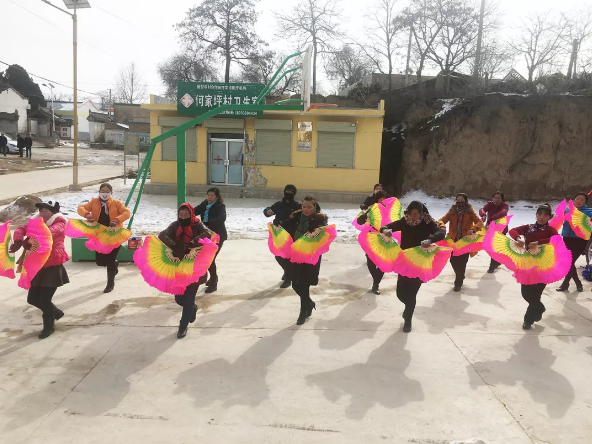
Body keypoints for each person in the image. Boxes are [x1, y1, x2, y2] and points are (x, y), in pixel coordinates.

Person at [380, 201, 446, 332]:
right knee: (400, 293)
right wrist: (386, 230)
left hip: (419, 262)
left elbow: (441, 233)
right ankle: (408, 309)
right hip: (405, 261)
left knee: (412, 293)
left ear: (421, 213)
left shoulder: (427, 223)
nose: (412, 217)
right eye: (410, 214)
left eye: (415, 214)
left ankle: (408, 319)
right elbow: (385, 226)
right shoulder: (405, 221)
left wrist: (430, 240)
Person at [10, 201, 69, 339]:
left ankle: (49, 326)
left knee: (45, 300)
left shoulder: (60, 223)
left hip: (52, 266)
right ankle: (56, 312)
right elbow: (21, 228)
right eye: (41, 211)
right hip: (38, 266)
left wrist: (30, 239)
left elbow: (47, 233)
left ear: (53, 213)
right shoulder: (36, 222)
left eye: (46, 211)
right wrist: (18, 240)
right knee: (32, 299)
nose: (43, 214)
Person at [159, 203, 213, 338]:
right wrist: (174, 245)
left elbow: (207, 233)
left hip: (194, 266)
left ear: (191, 214)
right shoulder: (175, 225)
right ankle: (193, 308)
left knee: (189, 297)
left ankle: (183, 326)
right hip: (178, 266)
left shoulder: (198, 224)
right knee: (179, 298)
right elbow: (162, 235)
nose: (183, 217)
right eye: (181, 215)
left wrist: (193, 242)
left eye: (186, 215)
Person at [279, 196, 328, 325]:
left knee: (304, 283)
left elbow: (324, 231)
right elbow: (286, 225)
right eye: (304, 206)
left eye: (309, 207)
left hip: (310, 255)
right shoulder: (297, 217)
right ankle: (309, 303)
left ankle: (303, 311)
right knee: (295, 283)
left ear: (314, 207)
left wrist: (316, 230)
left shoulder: (319, 219)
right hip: (296, 253)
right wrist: (279, 223)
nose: (305, 209)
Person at [509, 204, 558, 330]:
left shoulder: (551, 230)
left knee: (536, 294)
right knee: (525, 293)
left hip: (543, 266)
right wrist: (518, 238)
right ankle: (539, 308)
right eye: (539, 214)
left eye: (545, 215)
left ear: (549, 217)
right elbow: (512, 230)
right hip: (527, 264)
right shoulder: (529, 228)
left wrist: (539, 242)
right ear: (536, 215)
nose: (542, 217)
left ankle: (528, 320)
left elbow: (556, 239)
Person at [77, 183, 131, 293]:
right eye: (102, 191)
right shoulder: (94, 202)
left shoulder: (117, 203)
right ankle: (115, 264)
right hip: (99, 236)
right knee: (100, 262)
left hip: (114, 235)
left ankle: (110, 284)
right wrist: (87, 214)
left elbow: (127, 212)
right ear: (99, 192)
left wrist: (117, 219)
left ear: (111, 193)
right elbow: (80, 208)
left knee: (110, 260)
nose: (104, 193)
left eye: (107, 191)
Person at [438, 193, 483, 291]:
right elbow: (441, 220)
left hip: (465, 242)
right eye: (458, 201)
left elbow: (479, 222)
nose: (459, 203)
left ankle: (458, 283)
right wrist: (442, 226)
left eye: (462, 201)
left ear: (466, 202)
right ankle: (460, 275)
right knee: (453, 261)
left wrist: (473, 229)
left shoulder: (470, 211)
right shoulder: (452, 211)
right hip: (453, 241)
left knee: (462, 262)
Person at [264, 184, 302, 288]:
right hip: (279, 234)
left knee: (288, 257)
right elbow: (267, 211)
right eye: (287, 192)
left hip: (291, 234)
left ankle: (288, 278)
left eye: (291, 193)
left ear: (294, 194)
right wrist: (268, 211)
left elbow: (299, 217)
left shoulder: (297, 206)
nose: (289, 194)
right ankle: (287, 271)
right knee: (278, 255)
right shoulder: (279, 205)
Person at [557, 192, 592, 292]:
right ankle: (575, 283)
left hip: (580, 240)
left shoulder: (589, 212)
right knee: (568, 262)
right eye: (577, 199)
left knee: (570, 262)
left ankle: (567, 283)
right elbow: (559, 217)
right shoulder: (568, 209)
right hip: (567, 238)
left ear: (585, 202)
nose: (579, 201)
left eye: (582, 200)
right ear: (574, 200)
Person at [194, 187, 227, 294]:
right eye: (208, 195)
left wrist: (208, 223)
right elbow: (194, 211)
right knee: (206, 259)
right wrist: (185, 213)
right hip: (207, 235)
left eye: (212, 196)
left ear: (217, 197)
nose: (209, 197)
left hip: (218, 236)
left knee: (210, 259)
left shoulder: (220, 206)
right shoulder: (204, 204)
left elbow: (222, 218)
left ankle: (214, 282)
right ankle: (213, 278)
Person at [357, 190, 389, 294]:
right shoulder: (372, 209)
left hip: (384, 238)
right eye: (380, 198)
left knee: (383, 263)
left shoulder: (390, 210)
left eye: (384, 198)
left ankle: (376, 284)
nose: (382, 200)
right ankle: (376, 279)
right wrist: (363, 218)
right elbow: (359, 221)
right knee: (370, 261)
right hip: (372, 238)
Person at [479, 191, 509, 273]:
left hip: (501, 229)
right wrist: (483, 215)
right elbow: (482, 209)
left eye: (499, 198)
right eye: (495, 197)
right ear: (492, 198)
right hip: (490, 229)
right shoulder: (489, 204)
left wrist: (492, 218)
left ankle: (492, 266)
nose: (496, 199)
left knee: (496, 247)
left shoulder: (505, 206)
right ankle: (497, 262)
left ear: (502, 199)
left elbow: (503, 212)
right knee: (491, 247)